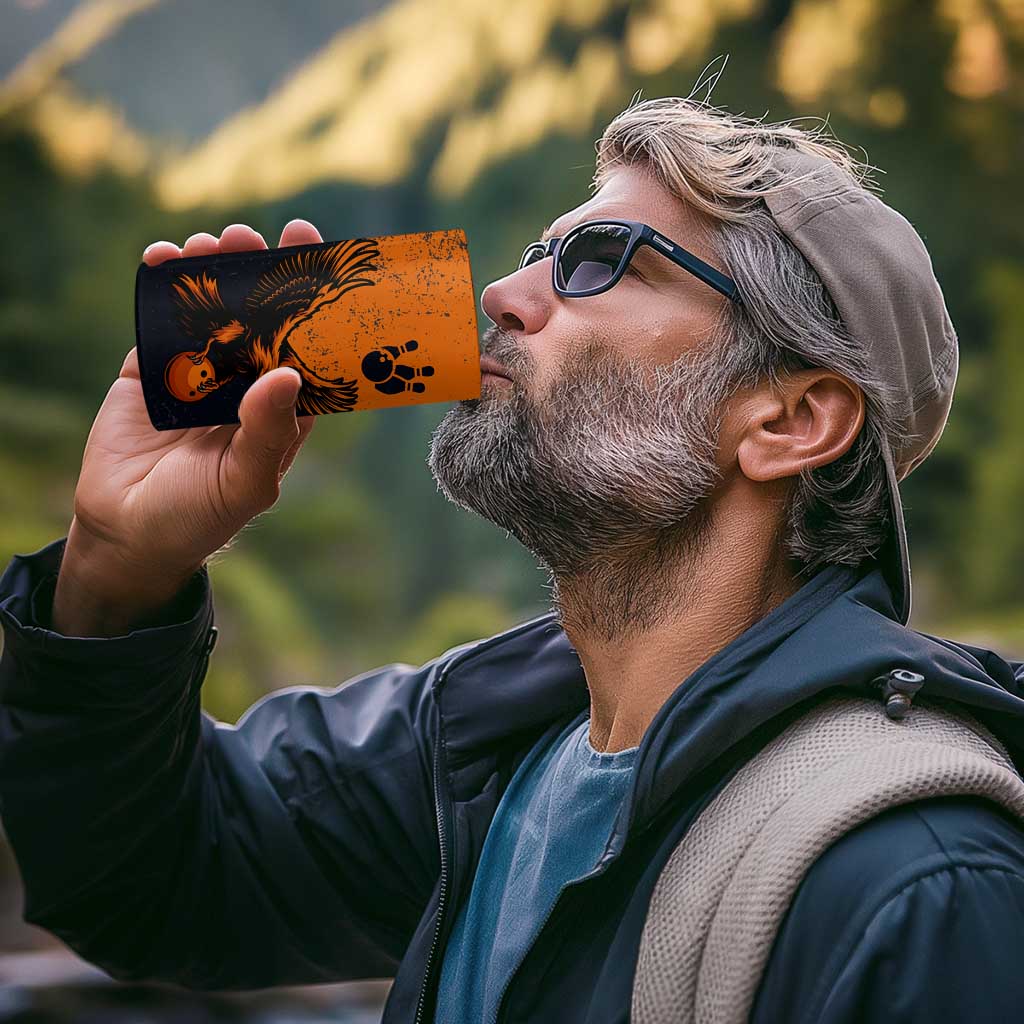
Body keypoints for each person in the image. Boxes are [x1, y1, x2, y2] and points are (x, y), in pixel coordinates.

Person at [2, 95, 1024, 1024]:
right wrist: (116, 571)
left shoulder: (918, 884)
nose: (501, 293)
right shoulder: (479, 749)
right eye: (540, 252)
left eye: (599, 261)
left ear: (791, 419)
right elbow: (149, 880)